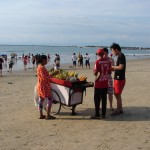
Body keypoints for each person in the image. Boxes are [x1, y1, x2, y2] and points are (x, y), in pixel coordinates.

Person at [91, 48, 111, 119]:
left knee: (97, 99)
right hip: (105, 82)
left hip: (98, 83)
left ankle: (97, 114)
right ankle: (103, 114)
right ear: (103, 54)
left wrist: (94, 71)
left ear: (98, 54)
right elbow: (109, 71)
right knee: (104, 98)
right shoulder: (108, 61)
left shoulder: (97, 62)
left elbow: (95, 72)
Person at [36, 55, 57, 119]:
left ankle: (41, 115)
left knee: (41, 100)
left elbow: (44, 75)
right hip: (44, 86)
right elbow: (45, 78)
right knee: (50, 99)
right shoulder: (41, 68)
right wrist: (53, 74)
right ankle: (48, 115)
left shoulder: (39, 67)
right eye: (46, 60)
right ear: (43, 60)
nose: (47, 61)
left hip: (40, 85)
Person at [110, 43, 126, 116]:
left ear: (116, 50)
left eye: (112, 51)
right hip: (119, 78)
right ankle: (120, 108)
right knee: (117, 94)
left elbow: (121, 67)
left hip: (119, 79)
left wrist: (112, 67)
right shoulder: (120, 56)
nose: (112, 53)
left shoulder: (121, 56)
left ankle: (118, 110)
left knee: (117, 94)